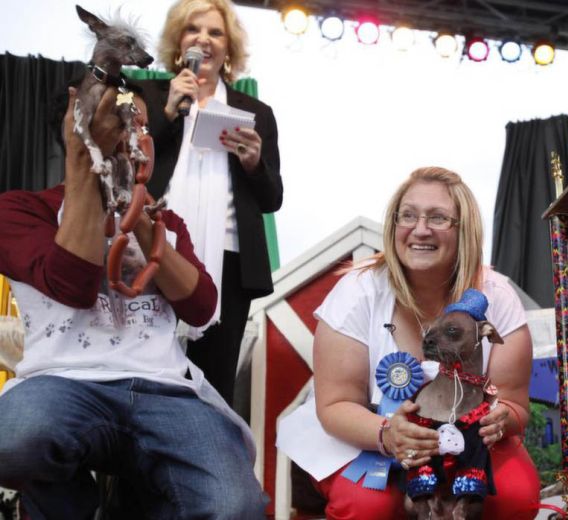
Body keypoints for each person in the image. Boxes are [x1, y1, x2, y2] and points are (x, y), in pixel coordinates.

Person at [0, 85, 265, 519]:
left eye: (139, 124)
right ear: (75, 131)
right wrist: (88, 168)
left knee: (233, 505)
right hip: (63, 382)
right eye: (115, 123)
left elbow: (201, 307)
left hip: (164, 389)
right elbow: (74, 285)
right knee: (14, 439)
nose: (128, 136)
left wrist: (139, 214)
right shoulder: (21, 210)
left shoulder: (167, 221)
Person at [277, 167, 540, 519]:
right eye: (409, 215)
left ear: (465, 230)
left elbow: (514, 404)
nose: (420, 229)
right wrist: (388, 434)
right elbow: (336, 404)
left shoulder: (498, 296)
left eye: (438, 218)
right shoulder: (357, 292)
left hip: (468, 440)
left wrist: (501, 419)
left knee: (514, 496)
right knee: (370, 504)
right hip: (367, 432)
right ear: (393, 225)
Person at [135, 0, 282, 407]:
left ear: (229, 48)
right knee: (142, 382)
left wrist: (253, 163)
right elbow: (125, 167)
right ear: (179, 42)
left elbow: (273, 199)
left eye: (215, 32)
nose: (204, 39)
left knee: (211, 387)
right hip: (152, 252)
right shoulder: (147, 96)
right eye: (193, 30)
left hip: (229, 262)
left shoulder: (255, 112)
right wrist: (166, 112)